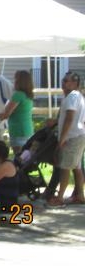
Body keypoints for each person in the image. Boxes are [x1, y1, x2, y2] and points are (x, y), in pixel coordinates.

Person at [46, 71, 85, 207]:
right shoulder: (77, 96)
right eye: (63, 80)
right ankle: (80, 195)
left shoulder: (72, 96)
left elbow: (70, 117)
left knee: (65, 167)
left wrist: (62, 139)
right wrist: (56, 123)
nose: (64, 83)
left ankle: (60, 198)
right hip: (78, 135)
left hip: (71, 137)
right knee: (77, 167)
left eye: (67, 81)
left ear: (75, 83)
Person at [0, 69, 34, 157]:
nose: (14, 81)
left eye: (16, 79)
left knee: (19, 159)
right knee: (25, 159)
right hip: (27, 130)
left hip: (18, 131)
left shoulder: (18, 95)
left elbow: (6, 114)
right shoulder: (28, 95)